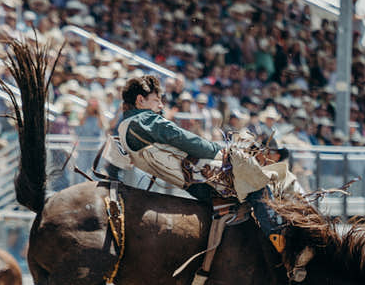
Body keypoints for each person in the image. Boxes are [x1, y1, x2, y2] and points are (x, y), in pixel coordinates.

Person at [107, 74, 289, 253]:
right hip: (203, 176)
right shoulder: (144, 120)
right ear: (140, 100)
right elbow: (183, 138)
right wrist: (221, 151)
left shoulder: (123, 128)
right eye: (156, 100)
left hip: (192, 185)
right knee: (258, 183)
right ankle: (278, 236)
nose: (161, 105)